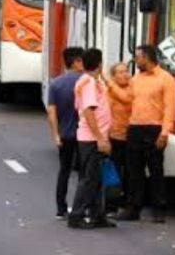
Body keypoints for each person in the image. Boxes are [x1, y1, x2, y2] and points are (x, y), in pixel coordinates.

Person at [116, 45, 175, 224]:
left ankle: (159, 209)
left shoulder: (165, 79)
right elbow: (127, 101)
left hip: (154, 129)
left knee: (156, 171)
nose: (136, 60)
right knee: (133, 171)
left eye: (139, 57)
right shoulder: (135, 79)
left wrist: (165, 133)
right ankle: (133, 207)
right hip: (135, 128)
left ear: (148, 58)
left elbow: (170, 108)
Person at [69, 48, 115, 230]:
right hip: (91, 138)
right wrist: (100, 138)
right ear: (100, 63)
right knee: (89, 179)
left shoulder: (93, 81)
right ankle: (77, 215)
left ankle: (98, 215)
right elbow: (88, 111)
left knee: (96, 179)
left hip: (94, 137)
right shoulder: (88, 83)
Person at [46, 47, 85, 219]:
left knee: (64, 171)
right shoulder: (86, 82)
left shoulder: (55, 83)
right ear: (76, 62)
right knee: (85, 174)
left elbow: (51, 112)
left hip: (65, 135)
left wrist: (56, 134)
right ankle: (82, 207)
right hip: (84, 135)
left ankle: (61, 209)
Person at [104, 62, 133, 208]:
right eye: (120, 72)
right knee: (114, 171)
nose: (125, 74)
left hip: (129, 136)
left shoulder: (131, 89)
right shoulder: (107, 92)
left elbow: (126, 99)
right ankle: (111, 202)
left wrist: (110, 84)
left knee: (130, 171)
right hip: (113, 137)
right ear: (114, 76)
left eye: (126, 71)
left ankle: (127, 201)